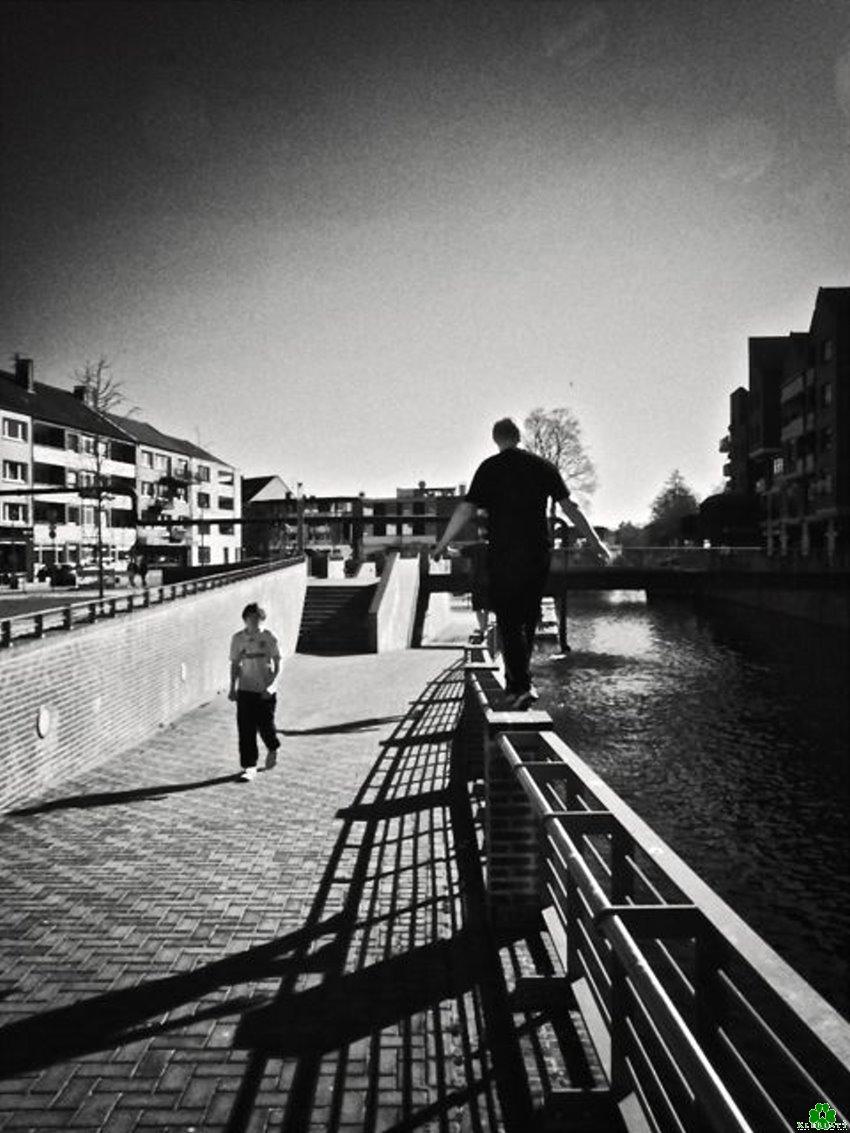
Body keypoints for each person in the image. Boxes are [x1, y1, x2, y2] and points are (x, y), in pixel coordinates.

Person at [432, 417, 611, 709]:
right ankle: (518, 685)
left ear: (496, 439)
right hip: (538, 551)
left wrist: (442, 545)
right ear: (519, 436)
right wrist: (594, 541)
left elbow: (465, 509)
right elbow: (569, 508)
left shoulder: (490, 468)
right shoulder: (543, 467)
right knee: (528, 616)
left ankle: (521, 685)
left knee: (509, 617)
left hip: (504, 551)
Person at [228, 602, 282, 781]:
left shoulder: (268, 637)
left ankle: (273, 747)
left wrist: (271, 686)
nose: (255, 621)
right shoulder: (237, 639)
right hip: (245, 690)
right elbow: (235, 664)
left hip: (264, 690)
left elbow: (278, 663)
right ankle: (249, 767)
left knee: (266, 726)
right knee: (246, 730)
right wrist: (232, 688)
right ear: (245, 619)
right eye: (252, 617)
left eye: (259, 617)